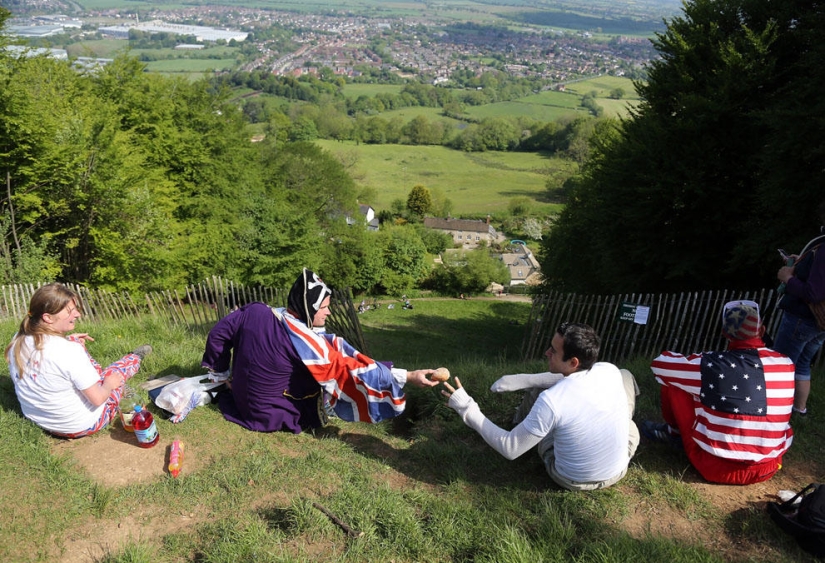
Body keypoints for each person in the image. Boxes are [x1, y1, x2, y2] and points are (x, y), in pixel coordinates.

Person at [202, 268, 438, 434]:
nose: (328, 313)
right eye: (324, 307)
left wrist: (221, 377)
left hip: (240, 401)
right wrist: (407, 376)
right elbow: (355, 370)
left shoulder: (255, 311)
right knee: (325, 383)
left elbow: (218, 335)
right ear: (308, 307)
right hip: (271, 415)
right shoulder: (308, 345)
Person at [442, 322, 640, 491]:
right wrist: (526, 379)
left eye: (553, 351)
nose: (547, 353)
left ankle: (518, 424)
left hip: (571, 479)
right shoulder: (609, 371)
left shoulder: (551, 400)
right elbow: (566, 379)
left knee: (542, 412)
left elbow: (510, 448)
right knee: (630, 423)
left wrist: (467, 407)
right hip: (617, 471)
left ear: (573, 362)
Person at [645, 300, 795, 485]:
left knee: (675, 384)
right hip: (769, 467)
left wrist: (694, 359)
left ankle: (673, 433)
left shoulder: (710, 364)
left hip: (715, 468)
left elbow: (659, 365)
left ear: (724, 333)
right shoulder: (786, 363)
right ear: (762, 331)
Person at [6, 283, 152, 438]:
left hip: (41, 421)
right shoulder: (68, 351)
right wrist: (109, 384)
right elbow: (97, 400)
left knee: (84, 363)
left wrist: (70, 341)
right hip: (80, 425)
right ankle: (135, 358)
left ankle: (106, 372)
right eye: (70, 311)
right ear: (48, 317)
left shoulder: (19, 338)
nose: (77, 314)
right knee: (114, 374)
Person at [774, 201, 825, 416]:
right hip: (819, 324)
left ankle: (775, 412)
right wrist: (802, 263)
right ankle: (798, 410)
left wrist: (788, 278)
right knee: (803, 364)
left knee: (780, 365)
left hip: (802, 318)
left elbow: (814, 293)